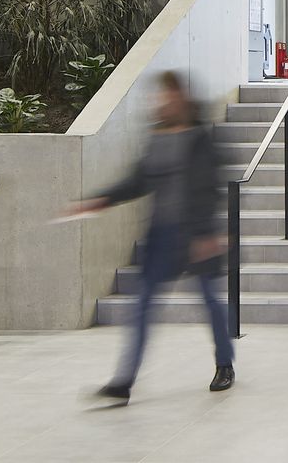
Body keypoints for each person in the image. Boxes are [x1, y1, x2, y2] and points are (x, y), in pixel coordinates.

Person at [77, 70, 233, 404]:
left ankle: (224, 363)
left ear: (183, 99)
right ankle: (124, 381)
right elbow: (138, 181)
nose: (163, 101)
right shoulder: (156, 136)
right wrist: (102, 199)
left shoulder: (199, 138)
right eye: (161, 95)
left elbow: (210, 187)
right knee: (142, 308)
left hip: (195, 234)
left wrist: (207, 233)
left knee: (210, 302)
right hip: (161, 236)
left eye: (169, 95)